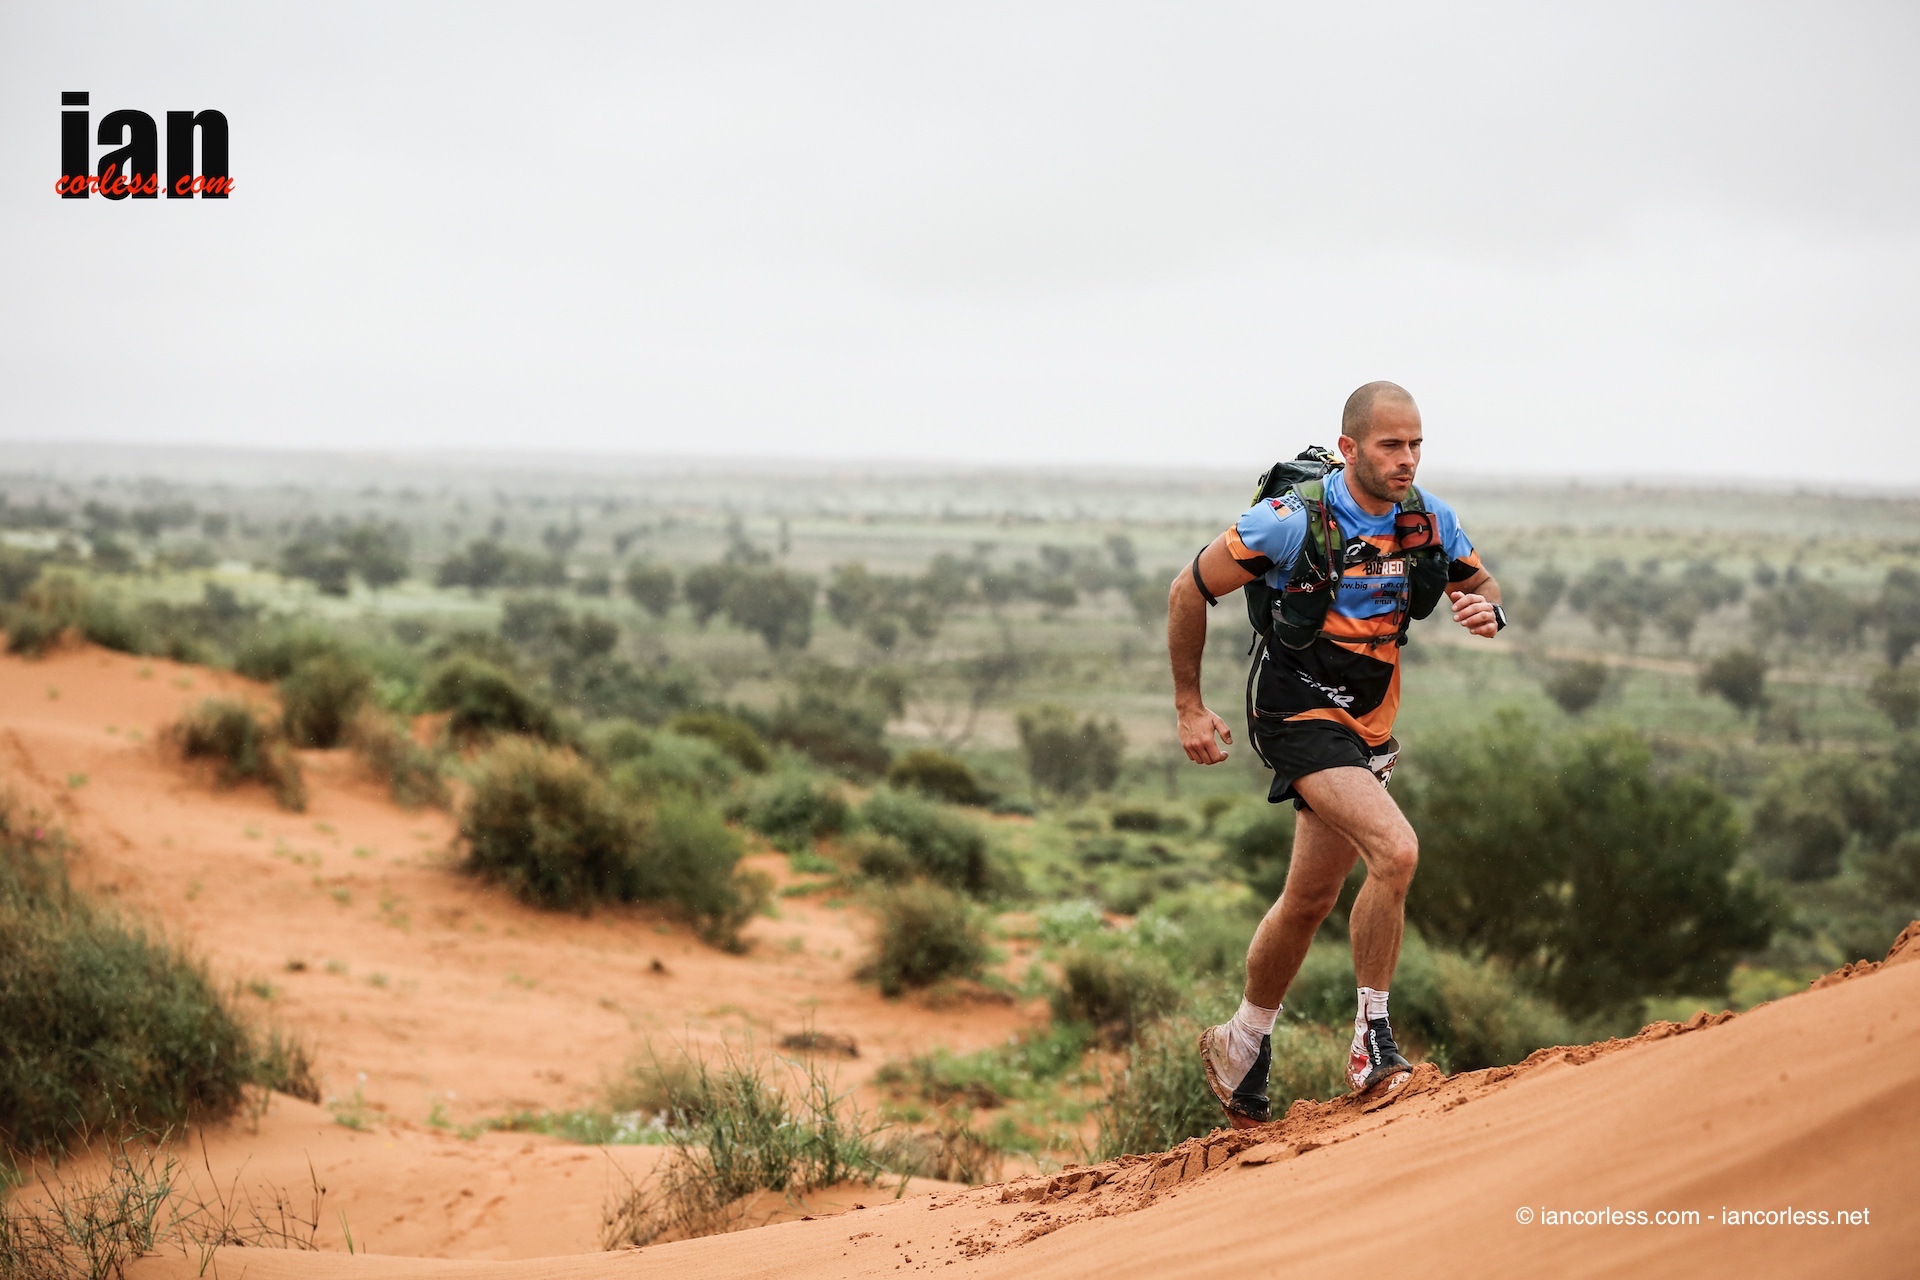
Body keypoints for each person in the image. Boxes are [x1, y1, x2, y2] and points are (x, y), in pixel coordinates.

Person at [1166, 381, 1505, 1127]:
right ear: (1350, 448)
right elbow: (1189, 589)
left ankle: (1240, 1042)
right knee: (1397, 851)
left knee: (1311, 899)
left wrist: (1487, 607)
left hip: (1369, 721)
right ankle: (1372, 1042)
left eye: (1416, 444)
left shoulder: (1429, 517)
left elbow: (1476, 579)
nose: (1406, 459)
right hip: (1295, 710)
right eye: (1391, 445)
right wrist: (1190, 706)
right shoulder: (1291, 520)